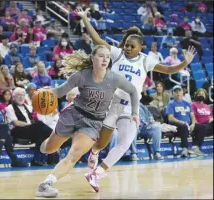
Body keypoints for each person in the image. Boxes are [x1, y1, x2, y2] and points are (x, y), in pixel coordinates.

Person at [75, 8, 196, 192]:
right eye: (127, 45)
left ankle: (96, 173)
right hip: (111, 104)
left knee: (124, 143)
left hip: (131, 107)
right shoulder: (117, 53)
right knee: (102, 143)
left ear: (141, 47)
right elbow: (97, 40)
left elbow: (169, 70)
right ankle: (94, 152)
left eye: (132, 46)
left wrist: (184, 64)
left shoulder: (146, 61)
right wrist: (84, 18)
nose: (128, 48)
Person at [35, 45, 139, 197]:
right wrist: (45, 93)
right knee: (49, 148)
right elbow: (60, 91)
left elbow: (133, 91)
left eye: (107, 57)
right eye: (101, 56)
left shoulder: (114, 78)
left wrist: (135, 112)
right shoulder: (81, 75)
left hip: (92, 123)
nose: (105, 59)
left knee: (74, 154)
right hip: (73, 114)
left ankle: (46, 184)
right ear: (93, 58)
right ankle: (46, 143)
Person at [0, 95, 27, 167]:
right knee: (7, 135)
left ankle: (1, 145)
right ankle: (15, 160)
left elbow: (0, 118)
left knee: (4, 126)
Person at [166, 85, 206, 157]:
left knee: (201, 127)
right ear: (173, 94)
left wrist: (193, 124)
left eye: (179, 91)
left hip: (189, 124)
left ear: (182, 92)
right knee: (183, 126)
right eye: (176, 92)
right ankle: (185, 148)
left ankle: (195, 147)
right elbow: (170, 118)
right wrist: (181, 122)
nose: (178, 93)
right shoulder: (171, 104)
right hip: (177, 125)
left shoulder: (187, 103)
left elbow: (192, 116)